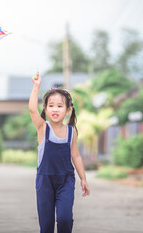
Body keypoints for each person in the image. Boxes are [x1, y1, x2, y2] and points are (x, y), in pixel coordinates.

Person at [29, 71, 90, 233]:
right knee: (46, 225)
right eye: (51, 105)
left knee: (64, 219)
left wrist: (83, 178)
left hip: (65, 181)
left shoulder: (71, 132)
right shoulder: (43, 128)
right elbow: (32, 110)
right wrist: (36, 87)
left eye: (60, 106)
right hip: (45, 182)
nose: (55, 109)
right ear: (46, 109)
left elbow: (76, 155)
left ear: (68, 110)